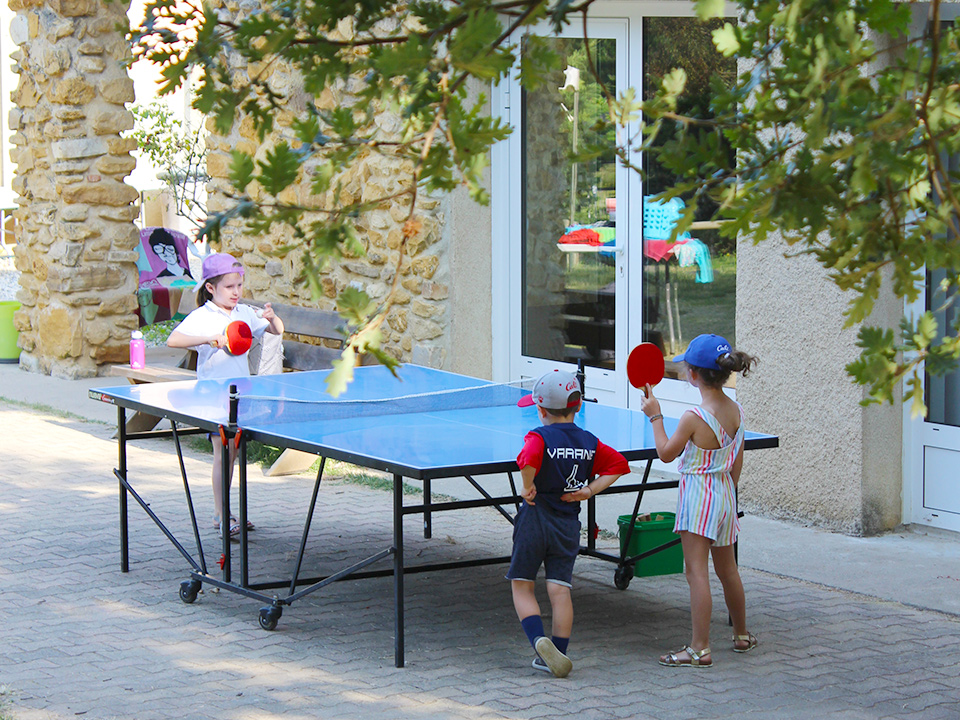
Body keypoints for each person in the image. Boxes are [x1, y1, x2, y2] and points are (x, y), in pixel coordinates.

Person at [639, 333, 758, 668]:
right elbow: (736, 462)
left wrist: (655, 415)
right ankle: (742, 635)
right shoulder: (736, 410)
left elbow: (665, 453)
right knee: (728, 569)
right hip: (723, 494)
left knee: (696, 572)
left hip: (698, 498)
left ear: (693, 374)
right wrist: (728, 497)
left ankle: (699, 648)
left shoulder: (694, 416)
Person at [508, 369, 630, 677]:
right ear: (576, 406)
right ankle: (558, 652)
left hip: (536, 517)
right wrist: (589, 490)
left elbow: (528, 458)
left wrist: (527, 484)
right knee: (559, 590)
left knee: (522, 585)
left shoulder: (539, 435)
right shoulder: (589, 441)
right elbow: (619, 465)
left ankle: (538, 641)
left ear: (542, 410)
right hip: (567, 522)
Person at [167, 253, 284, 539]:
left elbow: (277, 331)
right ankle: (222, 514)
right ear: (211, 287)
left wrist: (271, 318)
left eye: (239, 286)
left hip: (240, 395)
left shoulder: (244, 312)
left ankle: (225, 512)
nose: (236, 292)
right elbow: (173, 340)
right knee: (223, 455)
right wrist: (207, 339)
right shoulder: (203, 316)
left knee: (231, 456)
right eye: (230, 287)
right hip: (212, 396)